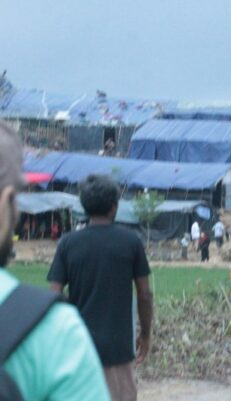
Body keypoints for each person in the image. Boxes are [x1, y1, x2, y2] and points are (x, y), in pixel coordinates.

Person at [0, 122, 110, 400]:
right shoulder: (53, 333)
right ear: (6, 206)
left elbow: (55, 284)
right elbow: (144, 291)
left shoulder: (68, 243)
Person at [48, 175, 154, 401]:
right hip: (119, 348)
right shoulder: (130, 242)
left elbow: (53, 295)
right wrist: (145, 334)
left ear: (85, 207)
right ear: (114, 207)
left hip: (79, 348)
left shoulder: (67, 243)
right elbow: (144, 294)